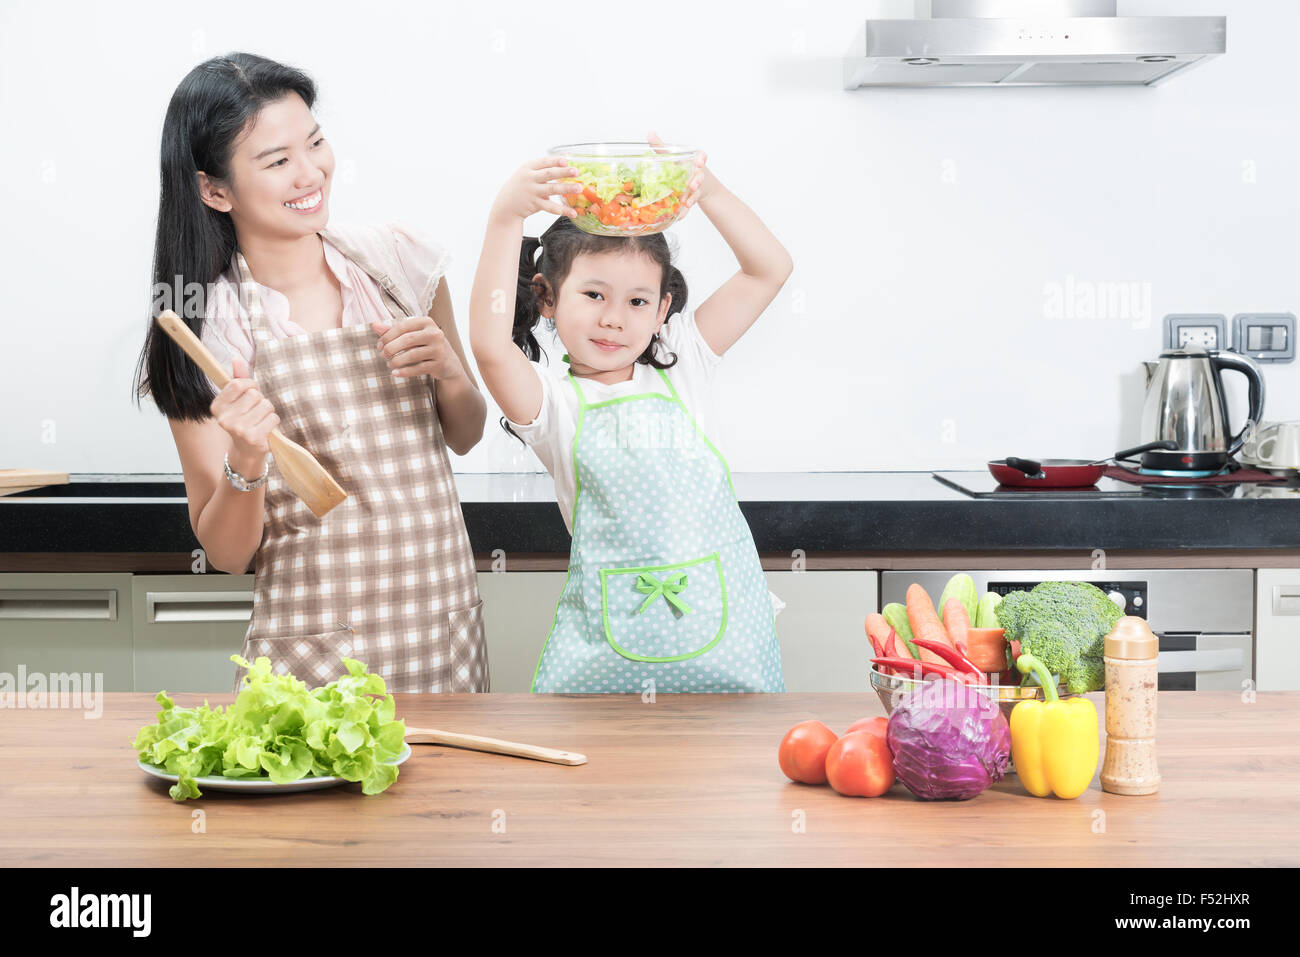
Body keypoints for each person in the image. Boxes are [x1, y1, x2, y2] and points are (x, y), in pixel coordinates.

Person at [134, 53, 489, 693]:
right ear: (214, 190)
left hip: (440, 627)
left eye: (316, 143)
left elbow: (465, 434)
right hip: (310, 654)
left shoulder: (398, 265)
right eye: (277, 161)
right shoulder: (204, 328)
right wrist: (246, 456)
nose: (311, 173)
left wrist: (451, 375)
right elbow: (227, 555)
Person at [468, 138, 793, 693]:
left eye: (638, 301)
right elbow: (491, 346)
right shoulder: (554, 406)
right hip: (607, 661)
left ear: (664, 308)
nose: (615, 319)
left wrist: (706, 190)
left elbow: (769, 269)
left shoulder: (685, 362)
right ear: (546, 298)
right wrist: (506, 216)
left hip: (730, 648)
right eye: (593, 294)